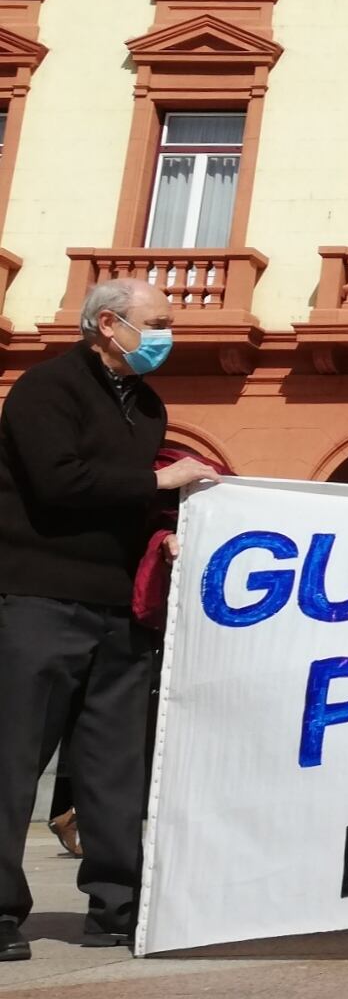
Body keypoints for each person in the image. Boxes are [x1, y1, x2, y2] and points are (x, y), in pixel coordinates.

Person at [0, 278, 216, 960]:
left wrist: (165, 529)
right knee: (13, 760)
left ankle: (117, 905)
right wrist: (158, 483)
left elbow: (129, 502)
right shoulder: (45, 390)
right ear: (107, 325)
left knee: (115, 763)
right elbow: (58, 482)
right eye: (156, 323)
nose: (167, 336)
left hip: (119, 608)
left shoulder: (147, 407)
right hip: (36, 596)